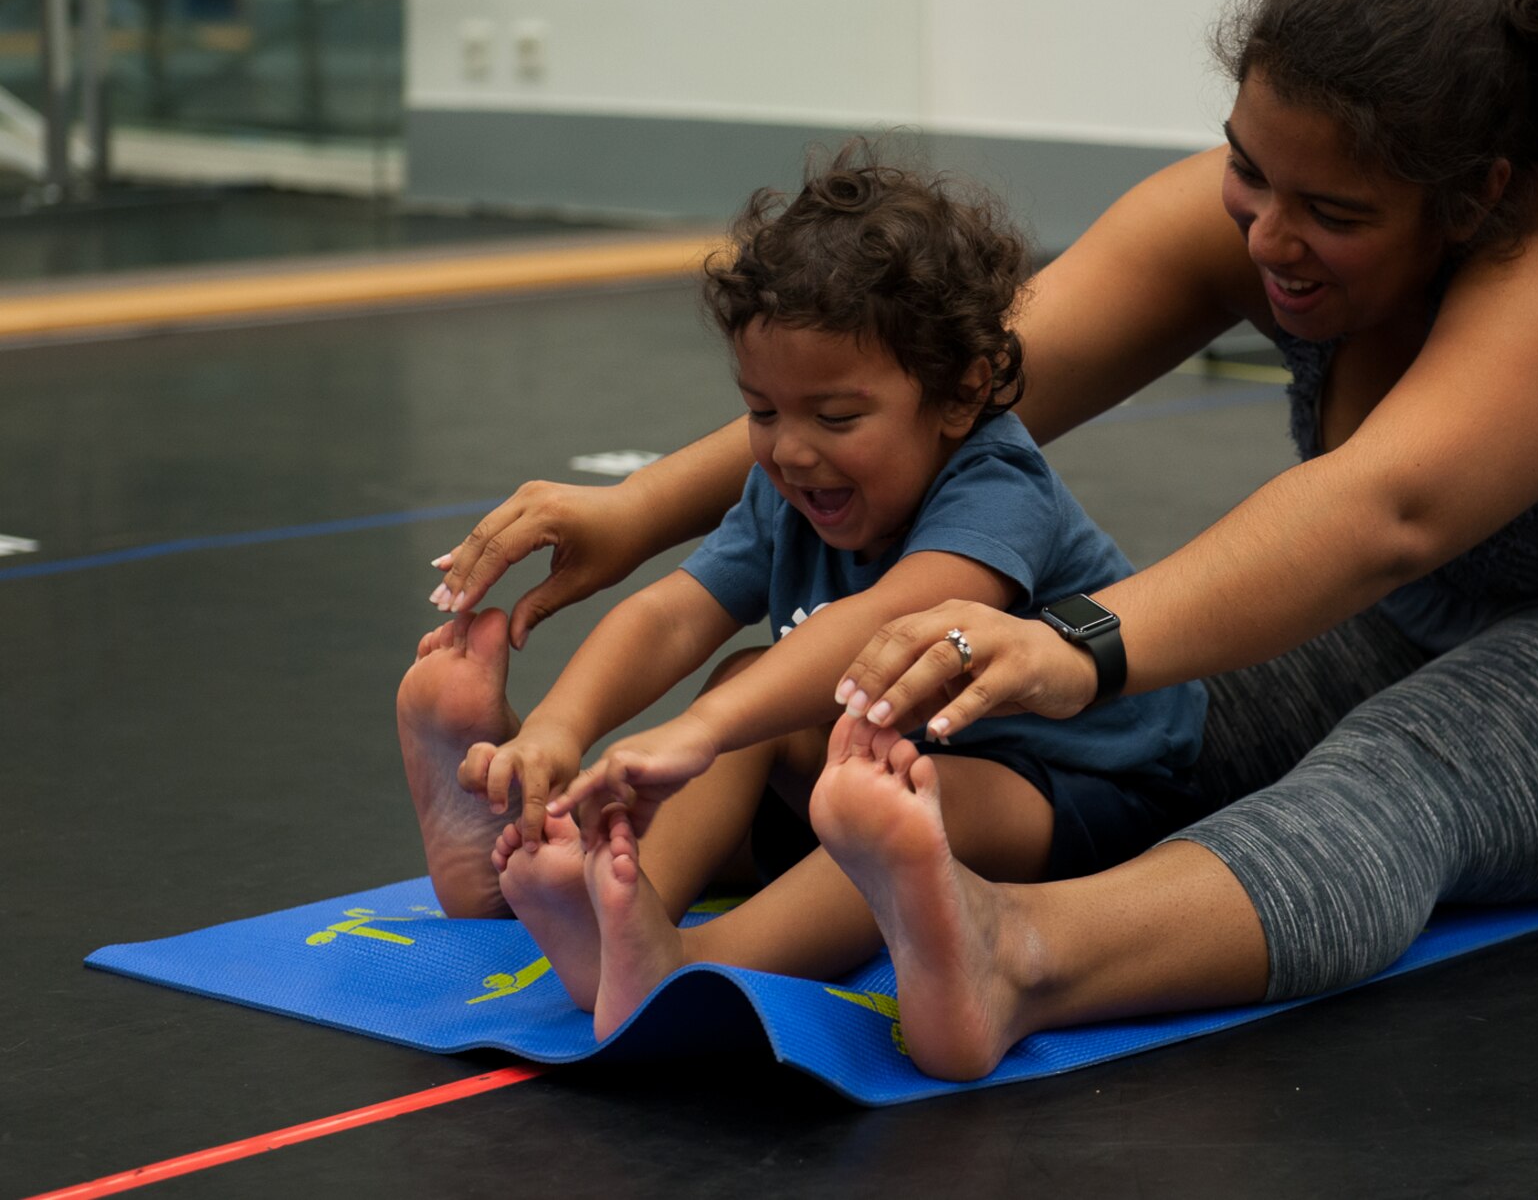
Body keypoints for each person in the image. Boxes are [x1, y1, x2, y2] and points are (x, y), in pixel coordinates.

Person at [426, 0, 1538, 1079]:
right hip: (1434, 622)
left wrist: (1074, 639)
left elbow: (1378, 512)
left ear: (1477, 194)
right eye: (1246, 170)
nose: (1267, 235)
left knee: (1417, 766)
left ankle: (1023, 958)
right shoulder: (1290, 201)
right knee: (1123, 722)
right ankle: (625, 881)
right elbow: (956, 379)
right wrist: (646, 506)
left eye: (1327, 210)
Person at [397, 145, 1204, 1038]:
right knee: (756, 683)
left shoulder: (998, 479)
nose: (792, 450)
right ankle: (615, 900)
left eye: (836, 417)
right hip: (878, 762)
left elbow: (889, 617)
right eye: (764, 411)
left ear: (961, 393)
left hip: (1089, 781)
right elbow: (674, 612)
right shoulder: (781, 486)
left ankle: (696, 957)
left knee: (905, 796)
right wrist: (562, 723)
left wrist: (700, 730)